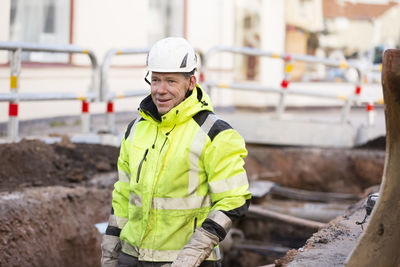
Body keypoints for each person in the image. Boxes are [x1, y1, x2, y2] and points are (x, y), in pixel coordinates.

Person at [101, 37, 251, 267]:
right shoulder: (135, 130)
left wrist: (192, 255)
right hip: (131, 258)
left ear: (191, 82)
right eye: (156, 80)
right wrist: (110, 251)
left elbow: (234, 199)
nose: (161, 90)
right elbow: (122, 196)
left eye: (171, 81)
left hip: (187, 261)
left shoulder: (215, 133)